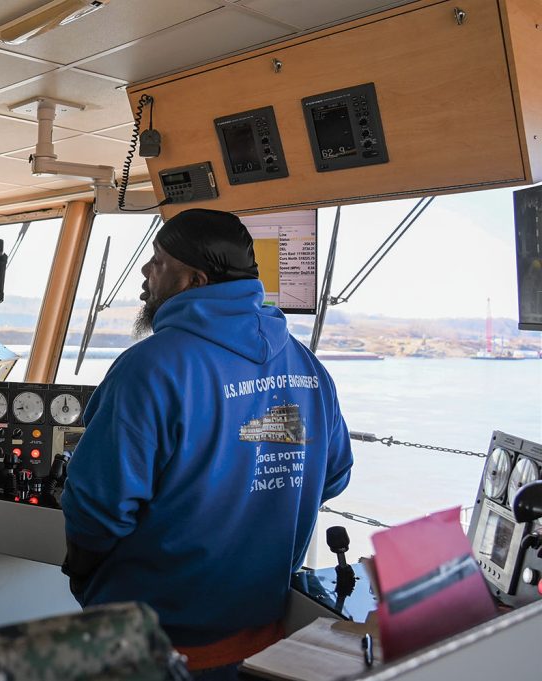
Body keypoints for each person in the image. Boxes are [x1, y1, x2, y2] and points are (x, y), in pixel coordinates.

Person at [60, 209, 353, 679]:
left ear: (192, 281)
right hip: (260, 643)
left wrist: (81, 574)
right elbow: (333, 476)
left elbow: (97, 511)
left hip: (148, 646)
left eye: (157, 262)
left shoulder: (149, 369)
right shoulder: (308, 367)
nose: (145, 272)